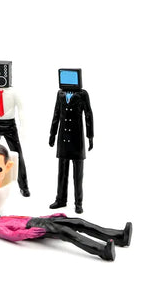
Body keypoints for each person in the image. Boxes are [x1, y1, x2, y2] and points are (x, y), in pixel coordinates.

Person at [0, 61, 30, 196]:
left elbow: (21, 110)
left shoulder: (14, 92)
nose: (0, 78)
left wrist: (23, 127)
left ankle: (24, 186)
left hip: (10, 125)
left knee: (18, 155)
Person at [0, 214, 132, 261]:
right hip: (34, 227)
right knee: (66, 233)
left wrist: (50, 216)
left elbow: (29, 217)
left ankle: (119, 236)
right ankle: (103, 251)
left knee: (79, 222)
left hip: (40, 220)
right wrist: (27, 233)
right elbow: (11, 235)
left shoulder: (5, 217)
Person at [49, 68, 94, 213]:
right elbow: (56, 114)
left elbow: (88, 115)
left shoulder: (82, 94)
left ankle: (78, 202)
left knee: (78, 174)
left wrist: (90, 136)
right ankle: (60, 199)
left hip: (77, 139)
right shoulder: (60, 94)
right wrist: (52, 134)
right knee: (62, 171)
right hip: (63, 138)